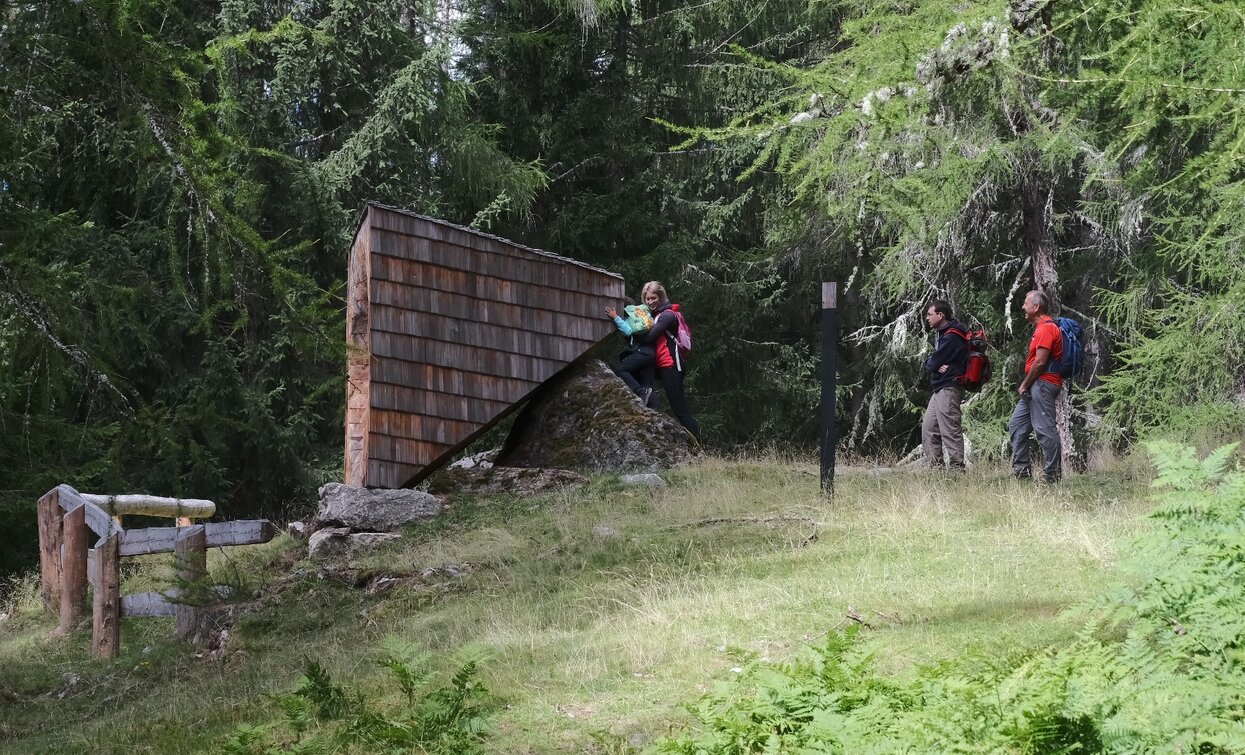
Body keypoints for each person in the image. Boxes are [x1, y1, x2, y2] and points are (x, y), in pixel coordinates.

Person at [1009, 290, 1064, 482]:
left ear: (1036, 307)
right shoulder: (1041, 328)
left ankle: (1052, 477)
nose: (1023, 307)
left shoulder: (1046, 328)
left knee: (1044, 430)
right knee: (1017, 425)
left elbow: (1040, 362)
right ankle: (1022, 473)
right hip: (1036, 385)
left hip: (1043, 384)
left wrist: (1025, 384)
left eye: (1026, 303)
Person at [635, 281, 701, 441]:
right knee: (638, 370)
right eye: (647, 299)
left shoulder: (667, 315)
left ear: (661, 296)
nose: (650, 302)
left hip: (672, 366)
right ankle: (645, 394)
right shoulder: (656, 315)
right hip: (663, 366)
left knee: (680, 410)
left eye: (653, 298)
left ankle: (701, 446)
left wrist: (631, 328)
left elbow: (650, 337)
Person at [921, 300, 969, 469]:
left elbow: (934, 362)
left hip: (949, 387)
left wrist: (932, 364)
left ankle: (957, 468)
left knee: (949, 429)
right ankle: (936, 469)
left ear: (940, 315)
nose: (927, 318)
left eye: (929, 314)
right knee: (929, 428)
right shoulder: (944, 333)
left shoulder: (953, 336)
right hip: (940, 388)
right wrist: (933, 363)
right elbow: (934, 362)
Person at [605, 292, 658, 406]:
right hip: (651, 353)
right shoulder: (640, 317)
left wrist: (615, 317)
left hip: (643, 352)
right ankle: (651, 410)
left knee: (620, 370)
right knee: (647, 386)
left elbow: (628, 331)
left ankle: (638, 391)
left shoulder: (628, 318)